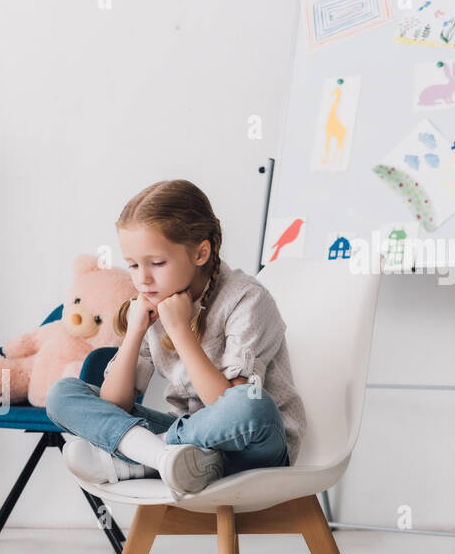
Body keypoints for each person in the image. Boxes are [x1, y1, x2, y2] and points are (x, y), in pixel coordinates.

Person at [44, 179, 306, 495]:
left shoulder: (247, 299)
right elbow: (116, 403)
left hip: (254, 447)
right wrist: (135, 332)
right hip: (187, 445)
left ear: (200, 253)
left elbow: (228, 404)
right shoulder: (152, 299)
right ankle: (161, 457)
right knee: (63, 393)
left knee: (251, 404)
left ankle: (145, 455)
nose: (143, 278)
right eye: (133, 265)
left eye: (157, 263)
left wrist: (181, 331)